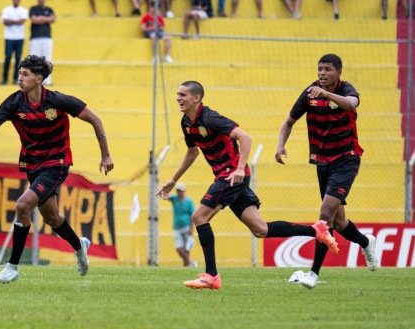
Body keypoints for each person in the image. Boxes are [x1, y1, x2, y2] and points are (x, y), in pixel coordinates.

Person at [157, 80, 339, 290]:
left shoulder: (210, 118)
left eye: (183, 95)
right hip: (228, 177)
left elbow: (245, 137)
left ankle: (211, 275)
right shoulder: (186, 123)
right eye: (178, 94)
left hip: (231, 175)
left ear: (196, 98)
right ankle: (316, 231)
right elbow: (192, 152)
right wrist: (173, 180)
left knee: (198, 217)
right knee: (260, 229)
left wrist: (240, 168)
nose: (178, 98)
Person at [0, 55, 114, 284]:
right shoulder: (14, 102)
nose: (20, 78)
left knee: (23, 205)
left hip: (57, 162)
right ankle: (79, 246)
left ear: (39, 78)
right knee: (52, 218)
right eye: (20, 73)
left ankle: (12, 267)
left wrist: (105, 155)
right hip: (33, 164)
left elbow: (95, 119)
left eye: (25, 74)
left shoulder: (58, 101)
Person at [275, 54, 377, 289]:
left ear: (338, 72)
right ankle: (365, 242)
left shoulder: (346, 89)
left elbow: (351, 103)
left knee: (325, 214)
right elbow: (288, 121)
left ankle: (313, 274)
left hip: (346, 159)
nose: (322, 73)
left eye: (327, 69)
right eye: (319, 69)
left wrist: (327, 95)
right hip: (322, 162)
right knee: (339, 222)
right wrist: (280, 146)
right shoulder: (310, 92)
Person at [165, 183, 196, 267]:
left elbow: (192, 215)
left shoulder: (189, 201)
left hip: (187, 227)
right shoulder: (174, 199)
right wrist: (168, 187)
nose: (179, 193)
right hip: (177, 227)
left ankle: (186, 266)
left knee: (186, 249)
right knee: (179, 248)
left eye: (181, 191)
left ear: (184, 191)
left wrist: (191, 228)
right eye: (178, 191)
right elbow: (164, 196)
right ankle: (191, 263)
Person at [1, 0, 28, 85]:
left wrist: (11, 21)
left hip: (20, 37)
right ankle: (5, 78)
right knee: (7, 57)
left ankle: (16, 78)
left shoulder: (24, 10)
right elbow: (5, 22)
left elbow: (23, 21)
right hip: (9, 37)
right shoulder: (6, 9)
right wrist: (17, 21)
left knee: (18, 58)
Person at [29, 0, 56, 86]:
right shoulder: (33, 8)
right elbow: (34, 20)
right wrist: (46, 19)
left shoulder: (49, 9)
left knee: (47, 59)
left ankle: (47, 81)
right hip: (35, 38)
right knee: (34, 60)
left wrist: (40, 18)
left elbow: (53, 19)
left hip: (47, 38)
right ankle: (33, 80)